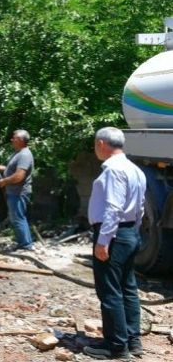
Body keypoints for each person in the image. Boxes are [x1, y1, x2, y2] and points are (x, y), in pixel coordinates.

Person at [83, 127, 146, 360]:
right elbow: (140, 208)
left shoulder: (112, 169)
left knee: (109, 290)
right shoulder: (135, 169)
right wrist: (133, 232)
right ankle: (133, 340)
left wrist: (103, 240)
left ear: (101, 144)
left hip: (114, 234)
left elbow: (113, 208)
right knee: (128, 288)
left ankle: (116, 346)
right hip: (129, 232)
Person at [0, 129, 35, 251]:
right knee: (17, 217)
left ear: (21, 141)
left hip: (19, 192)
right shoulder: (18, 153)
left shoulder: (24, 155)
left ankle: (25, 245)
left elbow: (19, 176)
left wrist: (4, 181)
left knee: (18, 218)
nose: (12, 140)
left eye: (15, 138)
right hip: (14, 192)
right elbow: (10, 169)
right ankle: (25, 243)